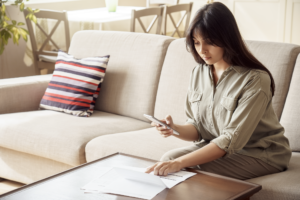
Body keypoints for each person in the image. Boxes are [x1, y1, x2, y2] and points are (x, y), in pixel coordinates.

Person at [145, 2, 291, 180]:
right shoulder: (199, 72)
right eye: (196, 42)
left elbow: (230, 140)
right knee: (168, 160)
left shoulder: (255, 79)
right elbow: (198, 129)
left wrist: (179, 163)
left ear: (226, 39)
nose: (201, 50)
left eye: (209, 42)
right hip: (219, 147)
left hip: (260, 153)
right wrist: (173, 128)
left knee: (184, 168)